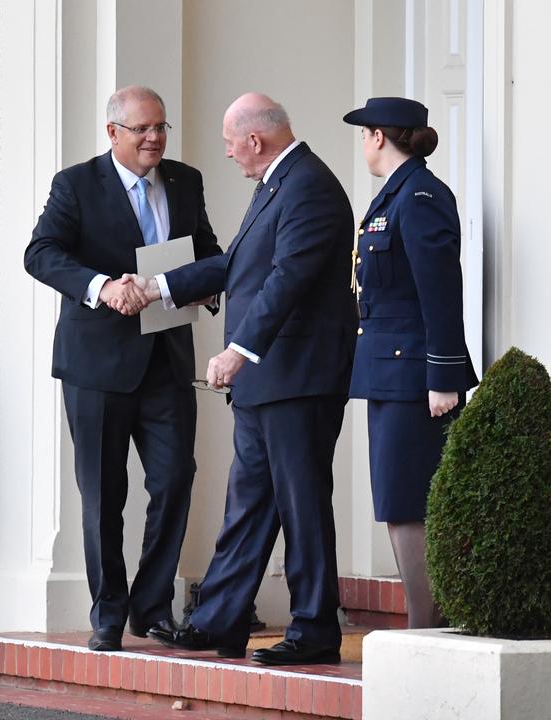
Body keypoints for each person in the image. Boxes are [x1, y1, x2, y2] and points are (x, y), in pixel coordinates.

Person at [134, 93, 357, 664]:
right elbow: (238, 264)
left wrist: (237, 351)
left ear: (255, 141)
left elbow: (288, 280)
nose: (230, 154)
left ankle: (314, 630)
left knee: (302, 504)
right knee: (249, 504)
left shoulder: (309, 186)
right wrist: (159, 288)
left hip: (297, 378)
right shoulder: (278, 183)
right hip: (269, 383)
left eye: (232, 144)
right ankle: (220, 620)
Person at [23, 86, 222, 652]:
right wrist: (101, 287)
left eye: (161, 127)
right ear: (113, 133)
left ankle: (151, 605)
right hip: (97, 366)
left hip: (165, 360)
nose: (155, 138)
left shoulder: (186, 180)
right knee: (104, 495)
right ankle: (109, 611)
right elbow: (40, 253)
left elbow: (207, 253)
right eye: (142, 130)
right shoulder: (77, 184)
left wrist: (203, 290)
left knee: (175, 479)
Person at [342, 97, 479, 628]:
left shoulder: (419, 196)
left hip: (417, 377)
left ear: (379, 136)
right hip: (390, 372)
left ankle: (429, 627)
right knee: (399, 499)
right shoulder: (395, 196)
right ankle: (426, 623)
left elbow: (440, 291)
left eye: (365, 134)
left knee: (409, 501)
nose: (363, 144)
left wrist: (443, 375)